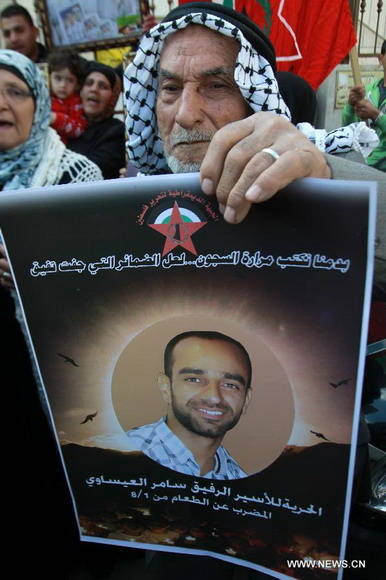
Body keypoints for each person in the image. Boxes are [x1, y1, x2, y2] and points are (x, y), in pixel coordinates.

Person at [124, 2, 385, 299]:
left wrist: (324, 183)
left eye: (216, 86)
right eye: (170, 88)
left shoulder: (321, 170)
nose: (185, 114)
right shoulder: (132, 192)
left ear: (255, 102)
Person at [127, 331, 252, 479]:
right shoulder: (120, 457)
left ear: (246, 399)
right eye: (194, 380)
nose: (214, 397)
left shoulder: (239, 481)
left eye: (230, 385)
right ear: (166, 387)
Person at [67, 62, 126, 180]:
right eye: (89, 83)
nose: (94, 89)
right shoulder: (66, 125)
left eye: (103, 86)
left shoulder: (117, 131)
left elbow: (89, 172)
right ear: (80, 91)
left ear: (113, 97)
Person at [342, 39, 386, 172]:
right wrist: (350, 105)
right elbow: (348, 128)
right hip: (362, 161)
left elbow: (376, 117)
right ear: (380, 58)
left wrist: (376, 116)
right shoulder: (368, 90)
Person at [48, 50, 87, 144]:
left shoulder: (77, 103)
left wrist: (56, 119)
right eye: (58, 78)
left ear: (77, 85)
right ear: (49, 77)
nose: (63, 85)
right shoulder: (44, 97)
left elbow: (79, 130)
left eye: (69, 80)